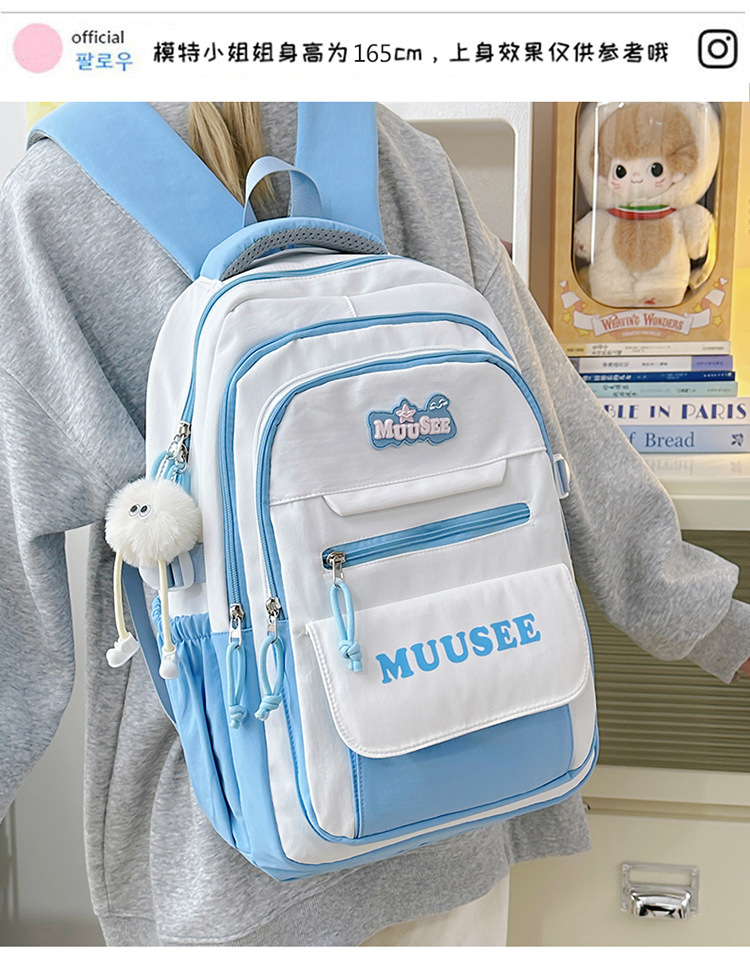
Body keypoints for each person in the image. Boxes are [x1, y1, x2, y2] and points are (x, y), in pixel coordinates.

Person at [1, 102, 748, 948]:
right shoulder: (395, 151)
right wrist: (710, 619)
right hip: (461, 792)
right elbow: (556, 425)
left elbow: (11, 594)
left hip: (236, 843)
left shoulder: (56, 195)